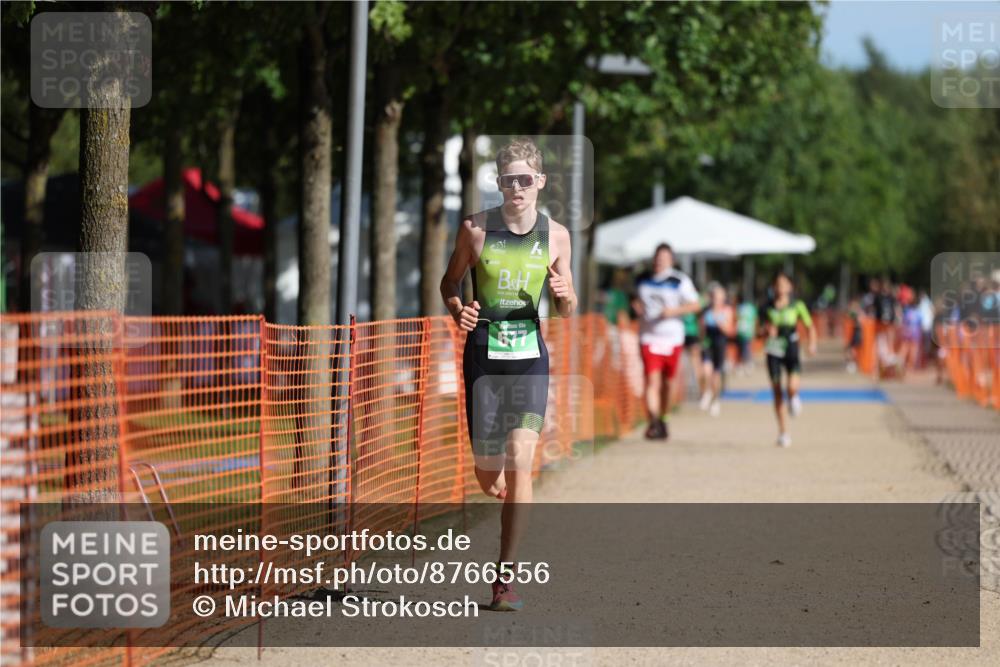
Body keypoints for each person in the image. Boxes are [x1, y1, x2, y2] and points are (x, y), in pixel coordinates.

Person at [440, 138, 576, 611]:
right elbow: (449, 282)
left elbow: (568, 304)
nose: (516, 188)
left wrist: (563, 294)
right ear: (498, 184)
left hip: (529, 355)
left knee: (522, 457)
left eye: (525, 180)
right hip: (483, 356)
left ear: (540, 182)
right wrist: (459, 309)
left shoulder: (556, 235)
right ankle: (498, 482)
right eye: (507, 180)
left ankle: (504, 579)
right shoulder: (475, 231)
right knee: (488, 471)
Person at [631, 243, 701, 440]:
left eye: (664, 258)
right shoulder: (642, 279)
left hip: (672, 338)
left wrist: (674, 311)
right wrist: (636, 306)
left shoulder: (679, 280)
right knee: (652, 380)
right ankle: (653, 421)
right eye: (657, 257)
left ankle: (663, 417)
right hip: (649, 336)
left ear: (671, 260)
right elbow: (634, 299)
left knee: (668, 383)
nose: (659, 261)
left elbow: (696, 305)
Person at [761, 271, 817, 448]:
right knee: (777, 392)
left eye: (784, 284)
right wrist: (766, 332)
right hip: (773, 350)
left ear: (790, 287)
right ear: (773, 287)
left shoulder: (797, 305)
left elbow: (810, 326)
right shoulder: (766, 307)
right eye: (777, 284)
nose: (780, 288)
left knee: (791, 387)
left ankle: (794, 398)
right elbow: (758, 330)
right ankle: (783, 432)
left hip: (791, 348)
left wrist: (812, 344)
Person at [698, 282, 736, 417]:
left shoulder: (727, 310)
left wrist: (720, 323)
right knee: (705, 371)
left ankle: (715, 400)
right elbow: (701, 329)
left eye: (718, 297)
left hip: (720, 342)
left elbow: (730, 330)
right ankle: (706, 393)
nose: (716, 299)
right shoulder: (706, 311)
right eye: (714, 296)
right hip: (708, 342)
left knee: (716, 374)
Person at [735, 292, 758, 375]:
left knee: (744, 349)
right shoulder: (751, 308)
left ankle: (746, 365)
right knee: (745, 348)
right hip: (745, 332)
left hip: (743, 331)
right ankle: (746, 364)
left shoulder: (740, 308)